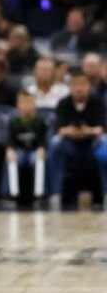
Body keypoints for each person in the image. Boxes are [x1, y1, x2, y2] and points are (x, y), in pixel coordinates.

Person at [47, 71, 107, 210]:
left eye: (83, 84)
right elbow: (60, 130)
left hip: (93, 146)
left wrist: (87, 131)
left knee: (105, 143)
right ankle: (55, 193)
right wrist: (73, 132)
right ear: (70, 87)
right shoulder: (63, 103)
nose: (79, 89)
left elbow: (101, 129)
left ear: (89, 87)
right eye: (75, 85)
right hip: (71, 146)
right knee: (55, 143)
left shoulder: (96, 102)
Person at [3, 91, 47, 204]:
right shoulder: (13, 122)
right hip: (19, 151)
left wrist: (42, 148)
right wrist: (9, 150)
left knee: (38, 159)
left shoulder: (39, 122)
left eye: (30, 103)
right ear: (18, 106)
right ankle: (9, 194)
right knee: (11, 159)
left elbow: (43, 140)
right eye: (24, 103)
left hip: (34, 151)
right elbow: (9, 140)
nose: (27, 106)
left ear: (35, 105)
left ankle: (40, 194)